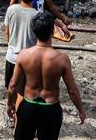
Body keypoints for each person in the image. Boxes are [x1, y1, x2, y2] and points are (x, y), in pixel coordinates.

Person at [7, 11, 86, 140]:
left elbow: (13, 85)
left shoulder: (24, 55)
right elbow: (72, 90)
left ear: (33, 30)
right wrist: (80, 110)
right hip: (50, 109)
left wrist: (10, 104)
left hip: (28, 106)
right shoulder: (62, 59)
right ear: (52, 31)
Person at [4, 0, 40, 92]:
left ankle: (10, 106)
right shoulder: (37, 15)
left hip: (11, 56)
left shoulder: (11, 9)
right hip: (28, 59)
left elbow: (7, 33)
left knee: (10, 87)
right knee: (23, 90)